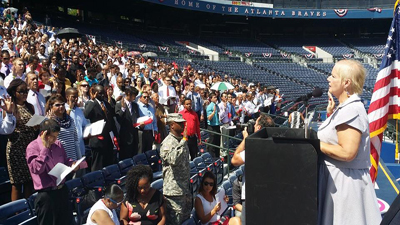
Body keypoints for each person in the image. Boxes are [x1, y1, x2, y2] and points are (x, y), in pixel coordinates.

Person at [317, 60, 381, 224]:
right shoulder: (345, 108)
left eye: (333, 76)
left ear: (346, 83)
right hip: (339, 181)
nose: (328, 79)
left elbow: (347, 152)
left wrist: (314, 144)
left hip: (344, 187)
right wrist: (332, 115)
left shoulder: (351, 109)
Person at [26, 119, 80, 225]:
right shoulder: (32, 147)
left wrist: (72, 164)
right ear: (44, 134)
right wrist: (45, 149)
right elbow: (36, 169)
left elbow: (65, 160)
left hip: (61, 190)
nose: (55, 139)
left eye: (57, 136)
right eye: (53, 137)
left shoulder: (58, 144)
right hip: (46, 196)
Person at [231, 114, 275, 225]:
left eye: (255, 125)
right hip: (271, 195)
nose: (254, 126)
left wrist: (246, 139)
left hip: (252, 197)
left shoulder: (256, 147)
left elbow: (235, 160)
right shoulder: (275, 145)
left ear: (259, 128)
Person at [6, 79, 37, 201]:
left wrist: (37, 125)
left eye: (26, 91)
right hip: (16, 148)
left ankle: (28, 209)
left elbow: (33, 122)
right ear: (14, 92)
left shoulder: (29, 106)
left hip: (29, 147)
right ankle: (16, 212)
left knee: (29, 180)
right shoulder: (11, 107)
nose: (25, 94)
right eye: (21, 91)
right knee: (17, 183)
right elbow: (9, 127)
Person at [160, 113, 191, 225]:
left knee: (186, 221)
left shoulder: (180, 140)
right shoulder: (168, 142)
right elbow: (173, 160)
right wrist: (183, 141)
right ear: (172, 125)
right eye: (180, 123)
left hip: (185, 189)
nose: (183, 125)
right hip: (174, 193)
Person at [84, 85, 118, 171]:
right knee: (97, 164)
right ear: (95, 94)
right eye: (100, 94)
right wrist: (93, 99)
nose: (102, 96)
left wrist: (115, 135)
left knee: (108, 163)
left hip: (108, 138)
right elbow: (86, 114)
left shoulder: (106, 104)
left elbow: (111, 119)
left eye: (103, 93)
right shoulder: (91, 103)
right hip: (97, 139)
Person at [45, 94, 81, 161]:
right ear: (51, 107)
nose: (61, 106)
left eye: (62, 104)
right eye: (57, 105)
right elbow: (46, 141)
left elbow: (76, 141)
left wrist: (79, 158)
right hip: (58, 159)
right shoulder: (47, 121)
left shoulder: (70, 119)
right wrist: (49, 122)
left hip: (72, 158)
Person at [115, 86, 140, 159]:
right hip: (125, 137)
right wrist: (123, 109)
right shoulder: (119, 104)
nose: (135, 97)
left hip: (134, 135)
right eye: (134, 95)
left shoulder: (135, 105)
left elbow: (136, 117)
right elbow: (118, 119)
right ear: (128, 94)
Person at [206, 93, 221, 158]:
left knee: (218, 143)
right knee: (212, 144)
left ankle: (217, 157)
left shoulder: (216, 105)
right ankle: (212, 158)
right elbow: (209, 118)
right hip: (212, 127)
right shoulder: (209, 106)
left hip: (217, 126)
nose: (216, 98)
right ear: (211, 98)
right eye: (214, 97)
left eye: (216, 97)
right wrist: (213, 112)